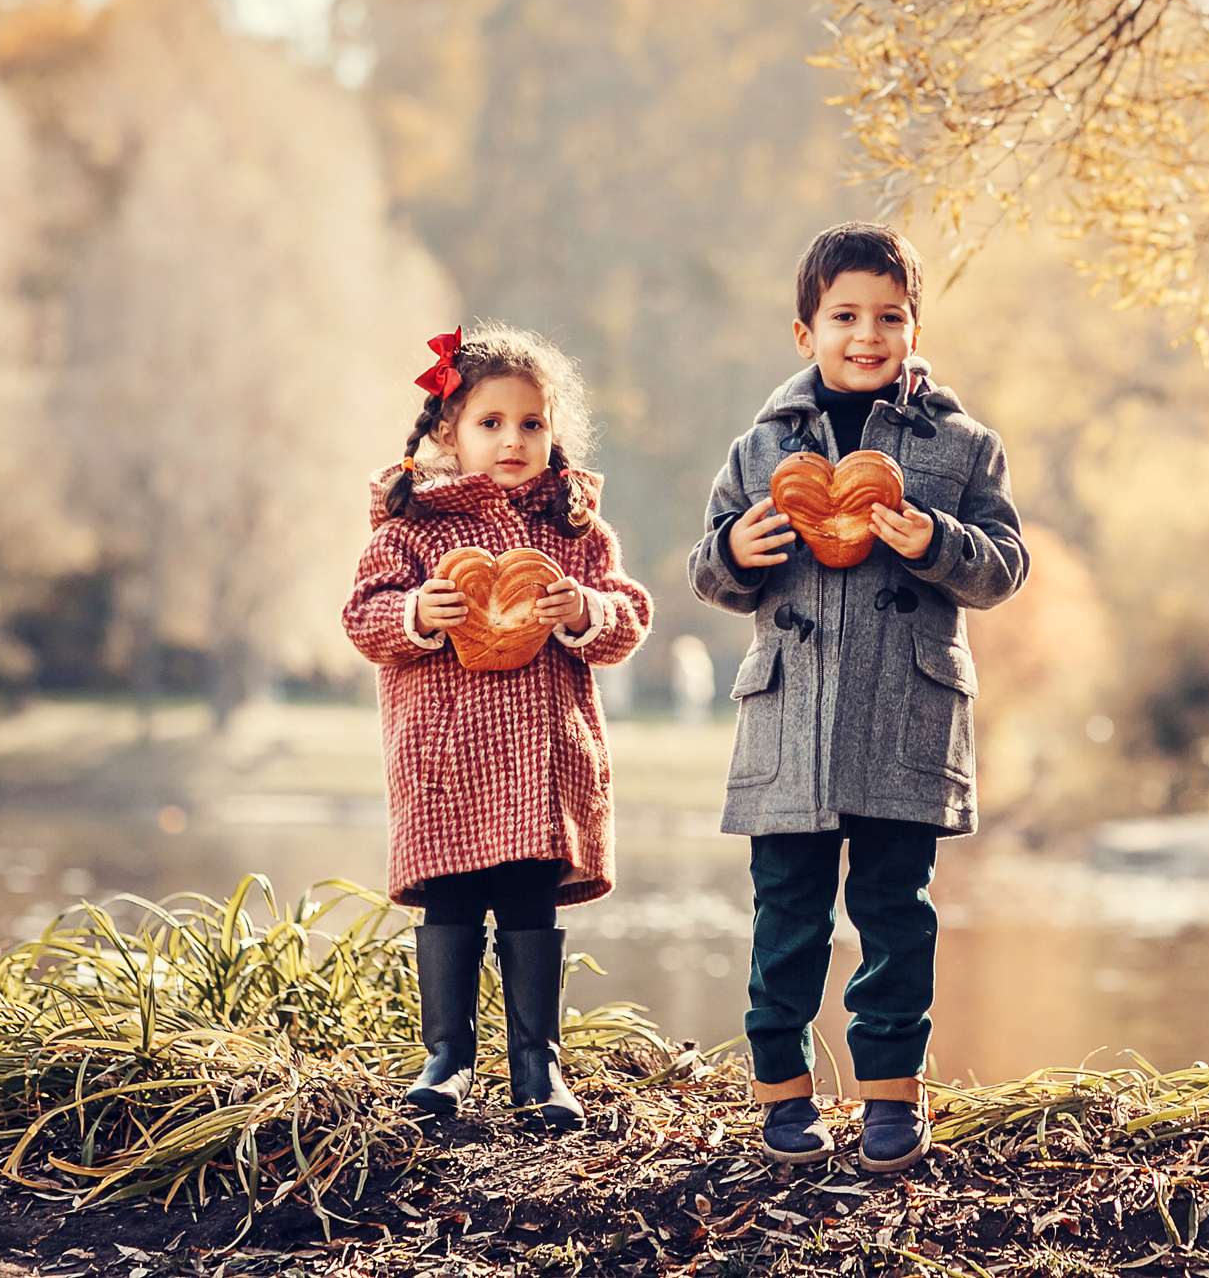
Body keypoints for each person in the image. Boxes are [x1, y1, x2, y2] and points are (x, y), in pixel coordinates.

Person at [688, 222, 1029, 1171]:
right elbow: (707, 567)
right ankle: (783, 1094)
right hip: (789, 717)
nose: (866, 335)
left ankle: (890, 1096)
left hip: (903, 714)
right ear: (806, 332)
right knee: (785, 916)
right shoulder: (759, 450)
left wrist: (934, 543)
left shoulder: (962, 448)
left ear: (916, 327)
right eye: (844, 316)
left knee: (895, 913)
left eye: (889, 316)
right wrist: (732, 557)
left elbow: (1004, 569)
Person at [343, 322, 652, 1128]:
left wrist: (584, 610)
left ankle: (536, 1063)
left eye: (531, 423)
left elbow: (628, 620)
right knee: (449, 901)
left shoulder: (575, 532)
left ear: (553, 433)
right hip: (446, 755)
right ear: (448, 432)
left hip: (543, 759)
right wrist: (417, 611)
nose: (513, 440)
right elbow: (362, 618)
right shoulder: (413, 527)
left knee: (527, 903)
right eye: (491, 423)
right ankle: (447, 1056)